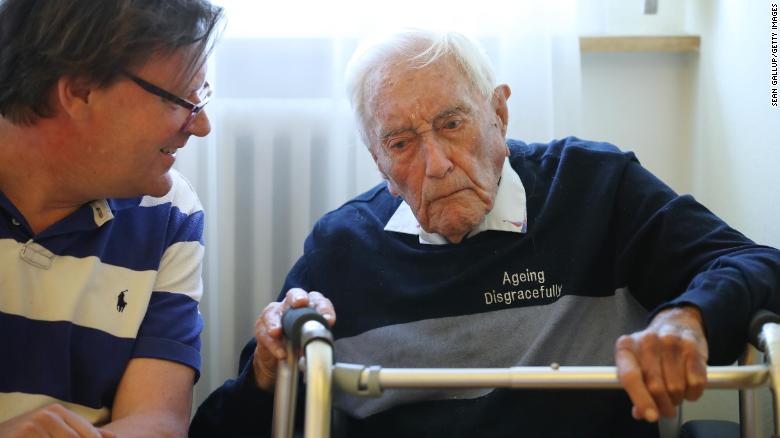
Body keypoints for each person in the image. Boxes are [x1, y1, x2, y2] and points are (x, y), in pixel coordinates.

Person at [190, 29, 780, 437]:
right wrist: (269, 374)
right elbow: (222, 430)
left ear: (498, 114)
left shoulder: (597, 187)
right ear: (378, 162)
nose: (437, 164)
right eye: (401, 143)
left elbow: (758, 265)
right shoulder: (341, 249)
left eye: (452, 124)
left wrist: (689, 317)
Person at [0, 0, 223, 436]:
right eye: (182, 99)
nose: (200, 126)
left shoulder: (169, 213)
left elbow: (159, 423)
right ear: (81, 90)